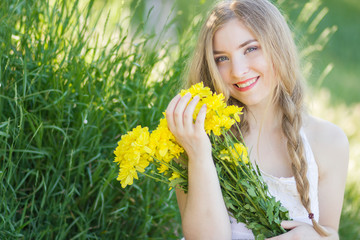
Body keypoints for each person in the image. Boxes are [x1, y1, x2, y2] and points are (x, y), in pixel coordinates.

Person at [165, 0, 349, 239]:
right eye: (222, 58)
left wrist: (310, 237)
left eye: (250, 49)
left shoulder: (329, 141)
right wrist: (199, 154)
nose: (238, 71)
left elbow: (331, 232)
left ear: (278, 47)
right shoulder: (197, 136)